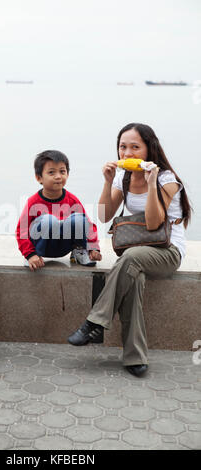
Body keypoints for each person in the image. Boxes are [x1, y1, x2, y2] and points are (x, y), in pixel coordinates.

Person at [68, 123, 192, 377]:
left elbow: (153, 223)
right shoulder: (122, 176)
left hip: (167, 251)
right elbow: (103, 216)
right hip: (137, 254)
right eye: (123, 147)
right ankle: (135, 357)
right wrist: (106, 182)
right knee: (133, 277)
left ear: (149, 149)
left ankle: (96, 321)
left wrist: (152, 181)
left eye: (135, 147)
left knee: (131, 259)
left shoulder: (167, 180)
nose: (127, 153)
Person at [16, 150, 102, 270]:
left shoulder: (72, 200)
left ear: (67, 174)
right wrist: (29, 254)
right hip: (41, 246)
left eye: (62, 171)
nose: (58, 176)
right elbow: (22, 231)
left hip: (63, 246)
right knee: (49, 220)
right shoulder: (33, 201)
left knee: (78, 219)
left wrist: (93, 247)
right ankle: (35, 256)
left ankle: (78, 251)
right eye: (51, 172)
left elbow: (88, 225)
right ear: (39, 178)